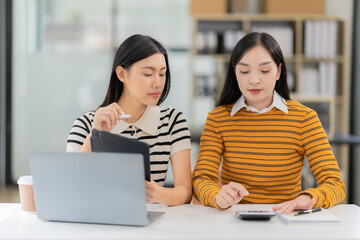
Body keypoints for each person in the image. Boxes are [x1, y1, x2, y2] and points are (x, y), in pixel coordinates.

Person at [192, 32, 345, 213]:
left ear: (278, 71)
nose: (254, 80)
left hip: (285, 219)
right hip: (235, 220)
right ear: (234, 72)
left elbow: (335, 184)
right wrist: (217, 196)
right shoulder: (218, 119)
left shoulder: (305, 118)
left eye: (265, 71)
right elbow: (202, 179)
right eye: (244, 71)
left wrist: (309, 198)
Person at [67, 34, 192, 206]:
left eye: (162, 74)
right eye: (148, 74)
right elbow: (68, 184)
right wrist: (96, 134)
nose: (158, 83)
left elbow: (185, 192)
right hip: (99, 224)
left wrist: (158, 194)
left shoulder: (172, 121)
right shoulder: (86, 124)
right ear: (121, 74)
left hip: (151, 226)